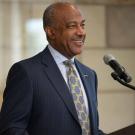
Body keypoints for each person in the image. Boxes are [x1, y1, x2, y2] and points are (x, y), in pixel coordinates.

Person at [0, 2, 106, 135]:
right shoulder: (26, 72)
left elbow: (88, 129)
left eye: (82, 25)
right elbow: (11, 129)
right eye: (72, 26)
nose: (81, 32)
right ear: (51, 32)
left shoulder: (89, 75)